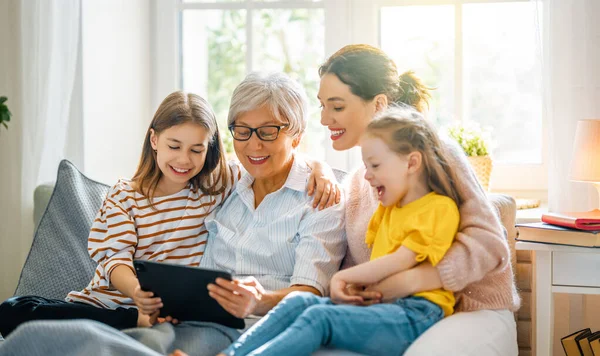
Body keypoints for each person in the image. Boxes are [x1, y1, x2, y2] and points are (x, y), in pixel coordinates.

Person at [0, 90, 338, 339]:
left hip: (168, 315)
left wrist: (321, 169)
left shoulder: (217, 186)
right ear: (154, 140)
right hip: (107, 305)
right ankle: (126, 324)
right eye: (175, 145)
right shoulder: (124, 196)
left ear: (210, 150)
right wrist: (138, 297)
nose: (184, 160)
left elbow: (280, 159)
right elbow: (114, 260)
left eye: (196, 149)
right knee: (12, 310)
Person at [317, 44, 520, 355]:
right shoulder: (358, 183)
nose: (324, 119)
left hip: (470, 309)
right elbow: (358, 265)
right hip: (396, 315)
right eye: (321, 106)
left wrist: (420, 279)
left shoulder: (437, 154)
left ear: (378, 104)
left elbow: (490, 243)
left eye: (337, 107)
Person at [214, 106, 461, 356]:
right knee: (298, 302)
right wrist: (358, 290)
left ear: (412, 162)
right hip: (382, 306)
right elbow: (379, 265)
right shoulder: (389, 209)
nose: (367, 176)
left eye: (375, 165)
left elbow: (402, 260)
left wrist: (342, 280)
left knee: (320, 318)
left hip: (415, 313)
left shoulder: (438, 207)